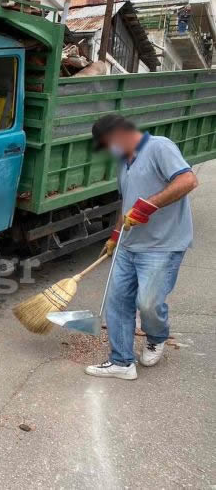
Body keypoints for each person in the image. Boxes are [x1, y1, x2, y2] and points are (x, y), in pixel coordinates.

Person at [86, 114, 198, 380]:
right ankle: (122, 362)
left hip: (162, 245)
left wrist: (148, 206)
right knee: (118, 302)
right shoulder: (123, 162)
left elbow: (188, 181)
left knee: (148, 304)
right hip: (128, 246)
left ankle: (156, 337)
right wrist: (115, 235)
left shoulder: (160, 147)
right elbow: (126, 202)